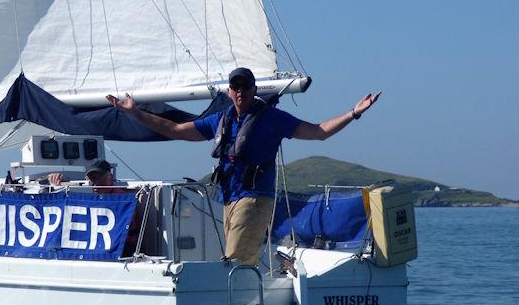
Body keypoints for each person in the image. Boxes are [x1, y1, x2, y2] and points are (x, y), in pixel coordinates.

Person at [107, 67, 380, 266]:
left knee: (235, 260)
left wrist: (353, 113)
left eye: (245, 87)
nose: (240, 92)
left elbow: (318, 132)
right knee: (242, 260)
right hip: (228, 200)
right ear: (229, 92)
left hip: (254, 200)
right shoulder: (220, 120)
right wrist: (133, 111)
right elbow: (175, 129)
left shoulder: (272, 118)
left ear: (254, 89)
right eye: (235, 87)